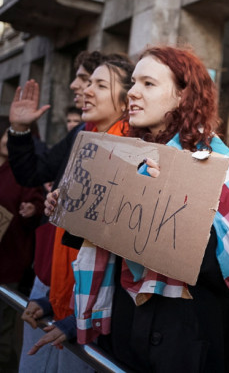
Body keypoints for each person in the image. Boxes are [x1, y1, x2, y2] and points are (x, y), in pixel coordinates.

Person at [58, 46, 229, 372]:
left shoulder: (215, 163)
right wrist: (72, 210)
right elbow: (112, 239)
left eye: (148, 84)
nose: (132, 93)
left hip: (186, 336)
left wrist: (169, 204)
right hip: (126, 325)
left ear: (182, 97)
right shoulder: (128, 155)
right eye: (133, 82)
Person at [16, 54, 133, 369]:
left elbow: (115, 260)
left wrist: (79, 317)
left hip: (93, 318)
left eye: (99, 84)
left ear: (126, 101)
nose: (84, 90)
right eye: (87, 81)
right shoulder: (85, 138)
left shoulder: (132, 154)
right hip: (65, 300)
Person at [8, 50, 106, 372]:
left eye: (87, 79)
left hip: (84, 291)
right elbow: (36, 171)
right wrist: (21, 131)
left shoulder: (127, 143)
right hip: (49, 276)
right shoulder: (81, 132)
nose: (76, 86)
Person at [0, 125, 45, 372]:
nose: (8, 140)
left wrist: (32, 210)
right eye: (6, 134)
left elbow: (37, 206)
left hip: (8, 264)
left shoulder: (23, 173)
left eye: (13, 136)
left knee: (3, 333)